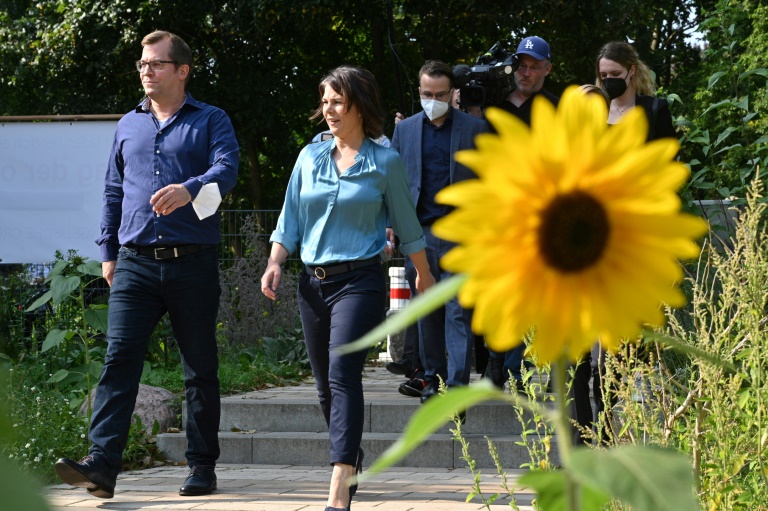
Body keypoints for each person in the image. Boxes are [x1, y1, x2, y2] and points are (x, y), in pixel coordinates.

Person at [54, 30, 239, 498]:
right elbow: (113, 190)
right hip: (134, 263)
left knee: (199, 367)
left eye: (156, 63)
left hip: (192, 263)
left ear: (182, 70)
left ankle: (201, 466)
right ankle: (102, 465)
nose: (146, 71)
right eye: (142, 64)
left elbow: (227, 169)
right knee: (118, 361)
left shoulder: (211, 119)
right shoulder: (128, 125)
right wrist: (108, 252)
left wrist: (189, 189)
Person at [260, 65, 435, 511]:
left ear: (359, 105)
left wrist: (423, 272)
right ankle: (351, 456)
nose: (329, 110)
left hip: (360, 281)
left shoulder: (384, 161)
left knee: (343, 376)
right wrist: (275, 261)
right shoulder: (308, 158)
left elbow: (407, 222)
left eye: (338, 101)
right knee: (324, 387)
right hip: (312, 283)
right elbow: (289, 219)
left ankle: (339, 485)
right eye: (325, 101)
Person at [390, 60, 490, 404]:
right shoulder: (404, 132)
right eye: (427, 93)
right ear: (419, 92)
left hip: (461, 235)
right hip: (418, 237)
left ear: (453, 93)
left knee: (457, 312)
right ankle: (432, 379)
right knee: (426, 312)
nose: (434, 99)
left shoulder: (475, 129)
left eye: (441, 94)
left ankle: (458, 386)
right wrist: (391, 225)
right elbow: (394, 184)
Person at [486, 36, 560, 394]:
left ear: (547, 69)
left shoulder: (555, 109)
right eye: (521, 65)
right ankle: (499, 358)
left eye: (534, 66)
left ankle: (519, 366)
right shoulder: (492, 107)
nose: (526, 72)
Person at [595, 41, 676, 141]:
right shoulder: (595, 110)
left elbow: (670, 153)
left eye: (616, 74)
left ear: (632, 70)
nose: (609, 79)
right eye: (604, 75)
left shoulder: (656, 109)